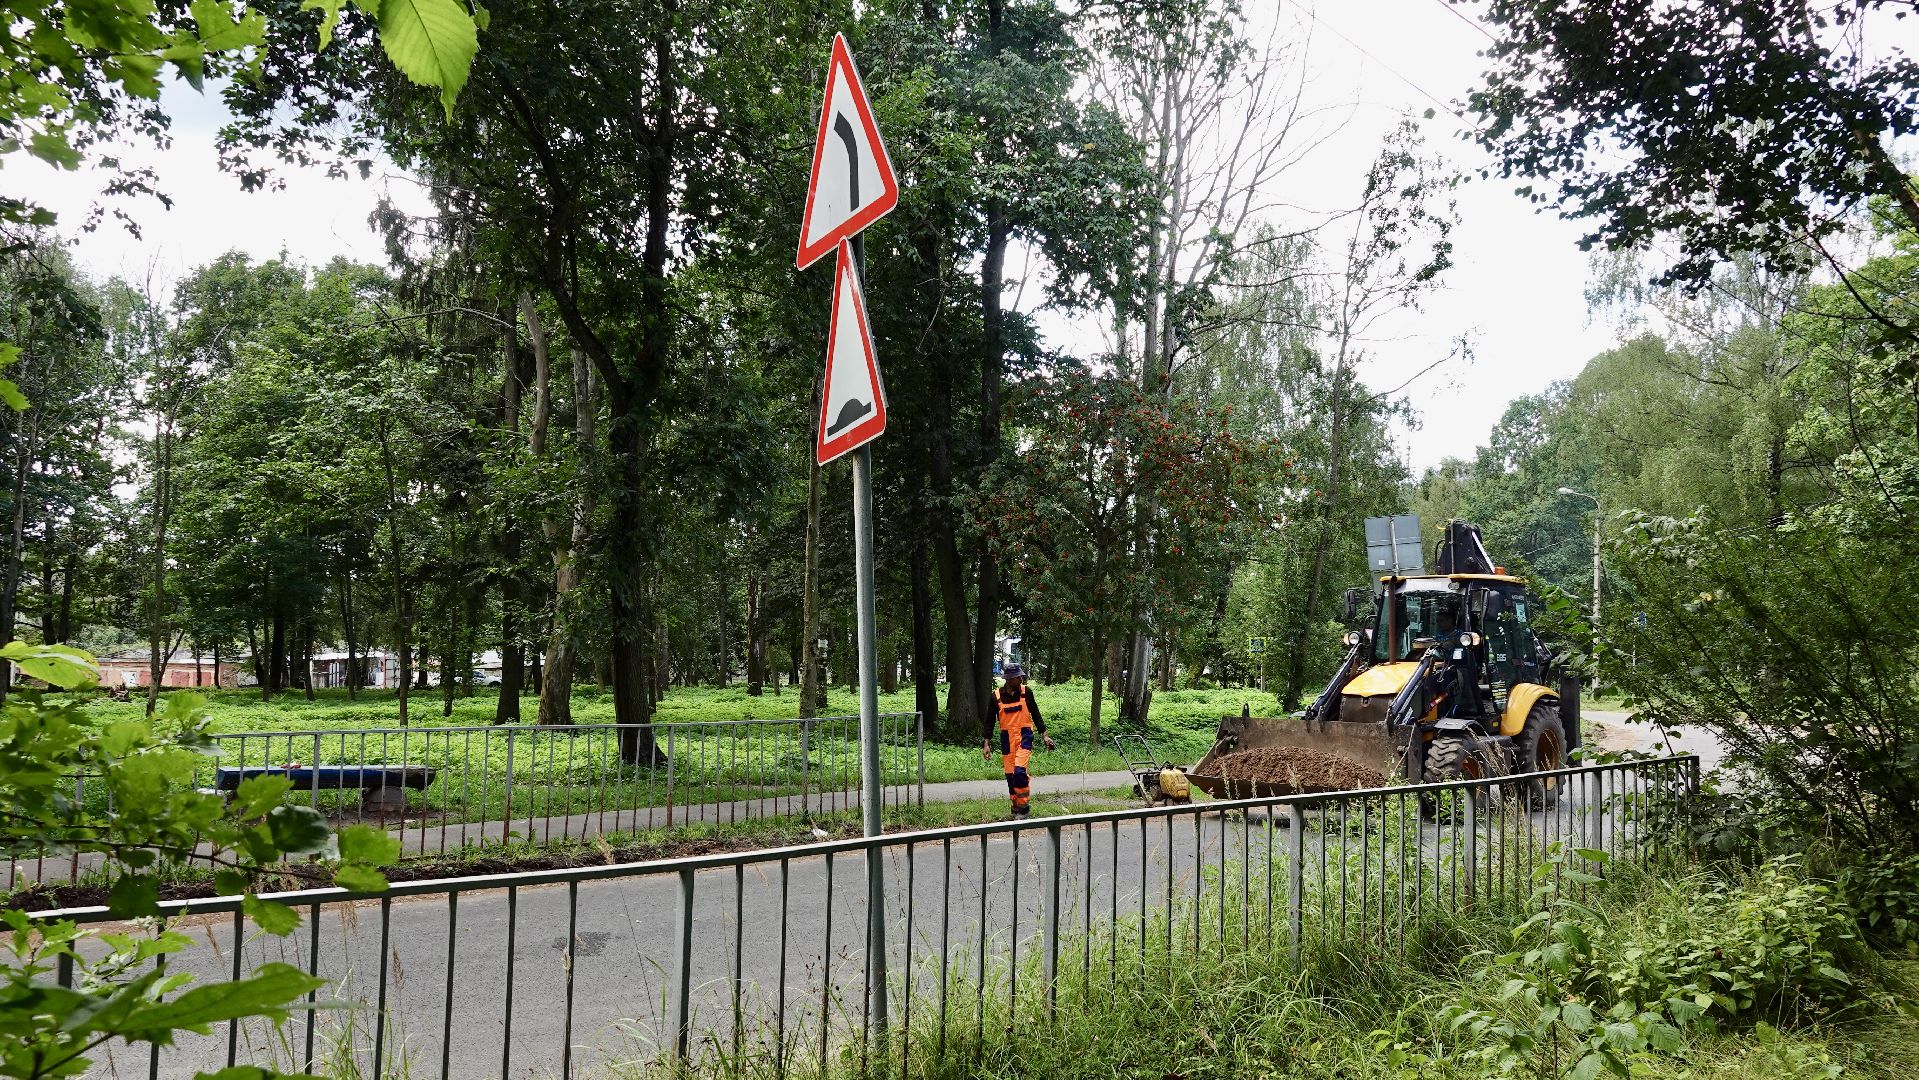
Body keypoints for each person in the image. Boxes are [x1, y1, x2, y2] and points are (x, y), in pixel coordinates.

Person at [980, 664, 1055, 818]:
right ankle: (1015, 805)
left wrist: (1045, 736)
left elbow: (1036, 714)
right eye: (1018, 677)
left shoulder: (1026, 692)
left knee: (1019, 771)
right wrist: (986, 743)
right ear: (1009, 679)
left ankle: (1024, 807)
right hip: (1007, 739)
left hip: (1025, 736)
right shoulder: (996, 696)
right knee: (1010, 775)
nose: (1021, 678)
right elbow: (989, 722)